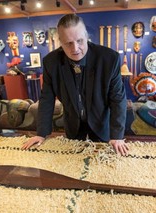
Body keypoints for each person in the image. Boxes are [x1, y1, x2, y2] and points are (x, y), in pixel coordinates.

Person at [22, 14, 129, 156]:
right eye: (68, 43)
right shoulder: (51, 62)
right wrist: (41, 133)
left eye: (80, 41)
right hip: (73, 126)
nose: (75, 48)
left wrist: (117, 136)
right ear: (60, 41)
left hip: (101, 125)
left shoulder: (109, 59)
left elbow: (118, 99)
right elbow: (47, 99)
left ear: (86, 36)